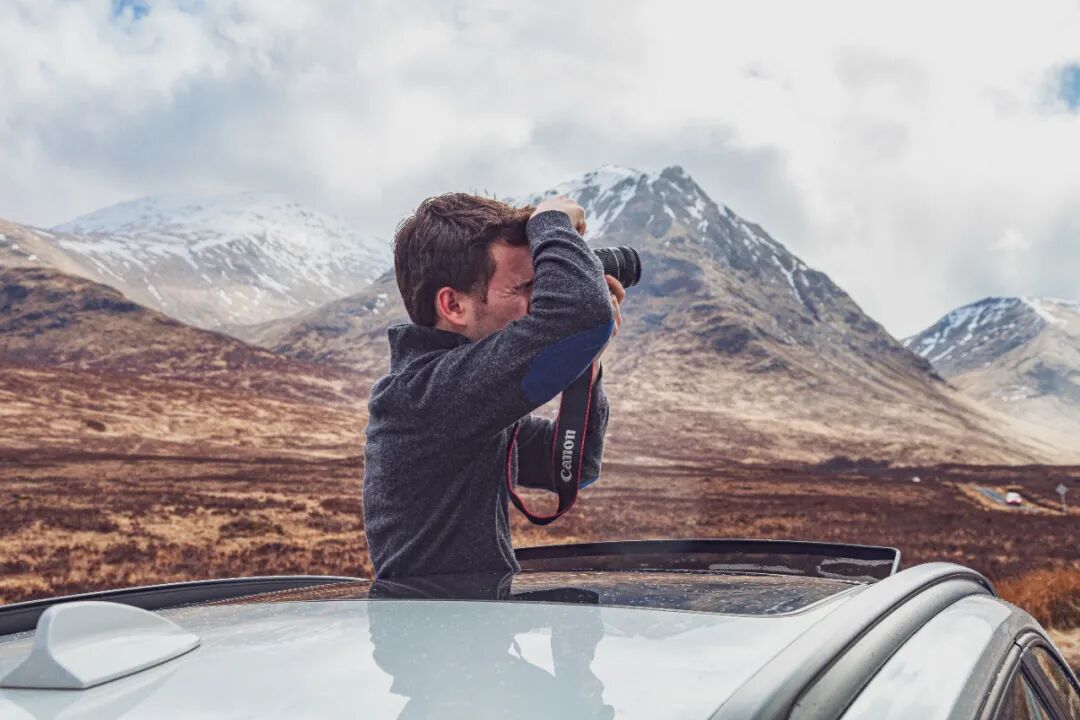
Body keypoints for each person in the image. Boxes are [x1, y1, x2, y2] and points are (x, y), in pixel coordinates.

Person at [363, 193, 624, 579]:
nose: (536, 304)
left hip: (470, 628)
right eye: (521, 289)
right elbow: (580, 315)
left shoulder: (461, 399)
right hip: (432, 634)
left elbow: (571, 465)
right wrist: (551, 221)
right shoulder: (426, 397)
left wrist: (588, 357)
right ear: (453, 306)